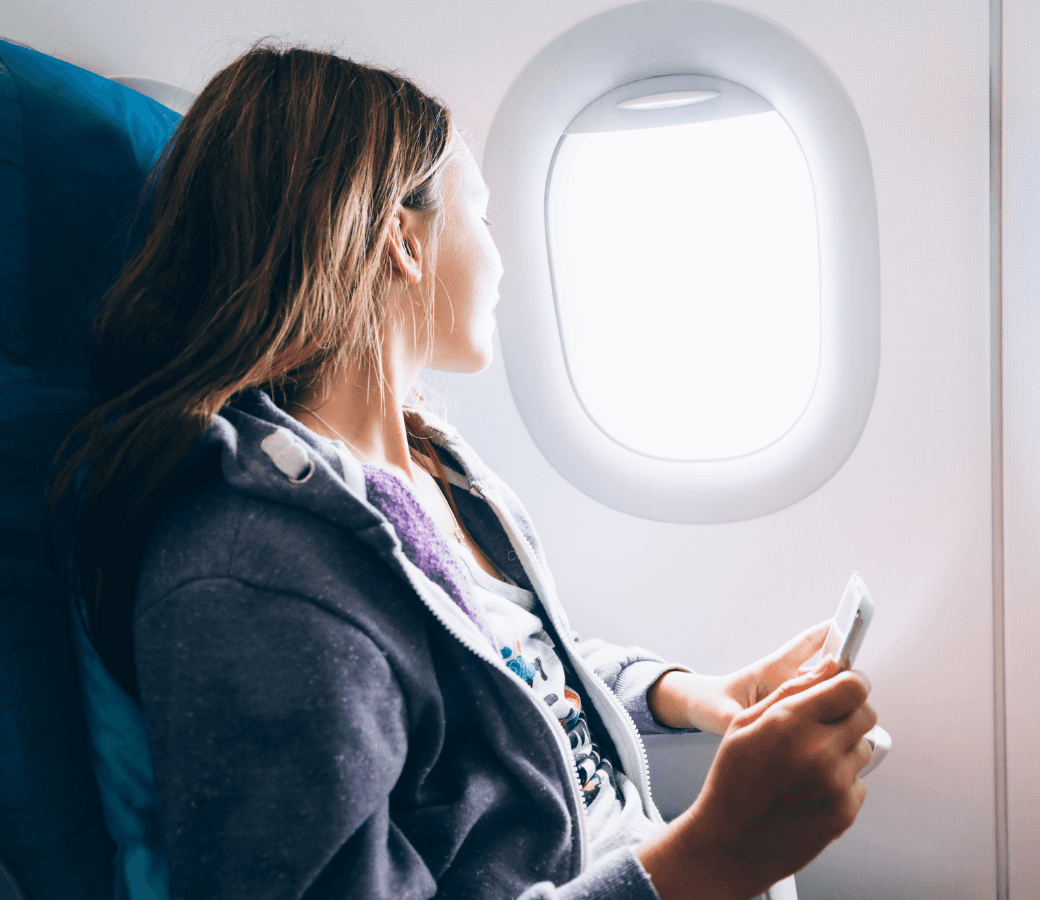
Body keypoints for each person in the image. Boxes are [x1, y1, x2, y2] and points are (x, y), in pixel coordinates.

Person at [47, 43, 878, 900]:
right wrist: (710, 857)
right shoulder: (254, 577)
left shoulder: (428, 464)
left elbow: (512, 675)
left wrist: (696, 694)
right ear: (402, 241)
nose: (502, 257)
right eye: (480, 215)